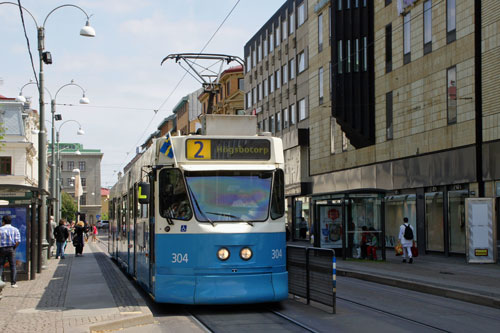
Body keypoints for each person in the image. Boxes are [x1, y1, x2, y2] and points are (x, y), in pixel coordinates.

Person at [0, 215, 21, 288]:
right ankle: (13, 283)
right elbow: (18, 241)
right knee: (13, 266)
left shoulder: (0, 229)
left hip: (1, 249)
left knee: (1, 265)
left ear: (3, 221)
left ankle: (0, 280)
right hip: (11, 249)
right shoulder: (15, 229)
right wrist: (14, 247)